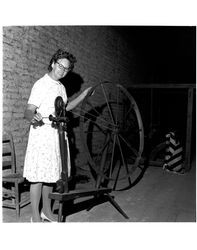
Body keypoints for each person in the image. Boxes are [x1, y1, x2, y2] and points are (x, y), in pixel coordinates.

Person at [23, 49, 92, 222]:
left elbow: (65, 108)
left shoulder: (60, 87)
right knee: (38, 177)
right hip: (42, 134)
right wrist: (34, 117)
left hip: (57, 135)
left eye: (66, 69)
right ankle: (34, 218)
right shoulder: (41, 84)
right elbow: (28, 110)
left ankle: (46, 211)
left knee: (51, 175)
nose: (62, 70)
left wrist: (83, 96)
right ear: (53, 63)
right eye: (60, 66)